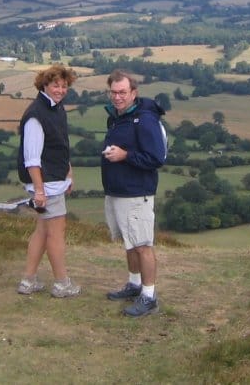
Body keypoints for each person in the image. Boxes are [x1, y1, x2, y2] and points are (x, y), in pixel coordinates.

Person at [101, 69, 167, 317]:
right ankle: (134, 284)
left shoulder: (145, 119)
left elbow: (156, 158)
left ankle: (149, 297)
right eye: (113, 92)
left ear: (133, 93)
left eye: (122, 92)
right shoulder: (117, 117)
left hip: (137, 193)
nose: (117, 97)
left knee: (142, 245)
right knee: (130, 243)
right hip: (117, 191)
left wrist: (125, 155)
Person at [16, 64, 81, 298]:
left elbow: (60, 145)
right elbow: (31, 159)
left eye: (64, 86)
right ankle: (62, 284)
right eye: (56, 85)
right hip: (46, 185)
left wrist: (68, 173)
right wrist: (40, 192)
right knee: (56, 233)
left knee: (42, 232)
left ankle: (28, 281)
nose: (60, 90)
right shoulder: (36, 115)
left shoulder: (55, 108)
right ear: (44, 84)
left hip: (54, 180)